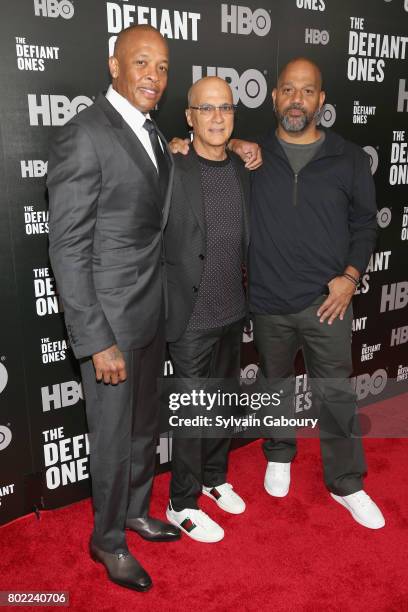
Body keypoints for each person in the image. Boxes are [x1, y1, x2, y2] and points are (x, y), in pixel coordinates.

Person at [47, 25, 180, 592]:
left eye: (164, 67)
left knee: (143, 429)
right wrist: (96, 338)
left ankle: (134, 512)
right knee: (110, 440)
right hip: (110, 326)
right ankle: (106, 541)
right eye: (142, 63)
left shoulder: (153, 134)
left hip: (151, 315)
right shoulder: (85, 134)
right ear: (114, 66)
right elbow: (68, 247)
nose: (154, 76)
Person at [231, 57, 385, 529]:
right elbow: (198, 149)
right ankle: (280, 452)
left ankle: (347, 483)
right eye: (288, 90)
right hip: (270, 300)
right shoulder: (252, 156)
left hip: (328, 302)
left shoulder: (350, 158)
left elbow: (365, 224)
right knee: (276, 384)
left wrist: (351, 276)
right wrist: (230, 143)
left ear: (321, 101)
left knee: (335, 393)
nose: (297, 99)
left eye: (307, 91)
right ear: (274, 97)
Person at [164, 77, 250, 542]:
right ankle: (181, 501)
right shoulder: (173, 166)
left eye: (226, 108)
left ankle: (215, 478)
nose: (217, 117)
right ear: (190, 116)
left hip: (233, 312)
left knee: (224, 407)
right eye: (207, 108)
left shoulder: (240, 167)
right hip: (191, 318)